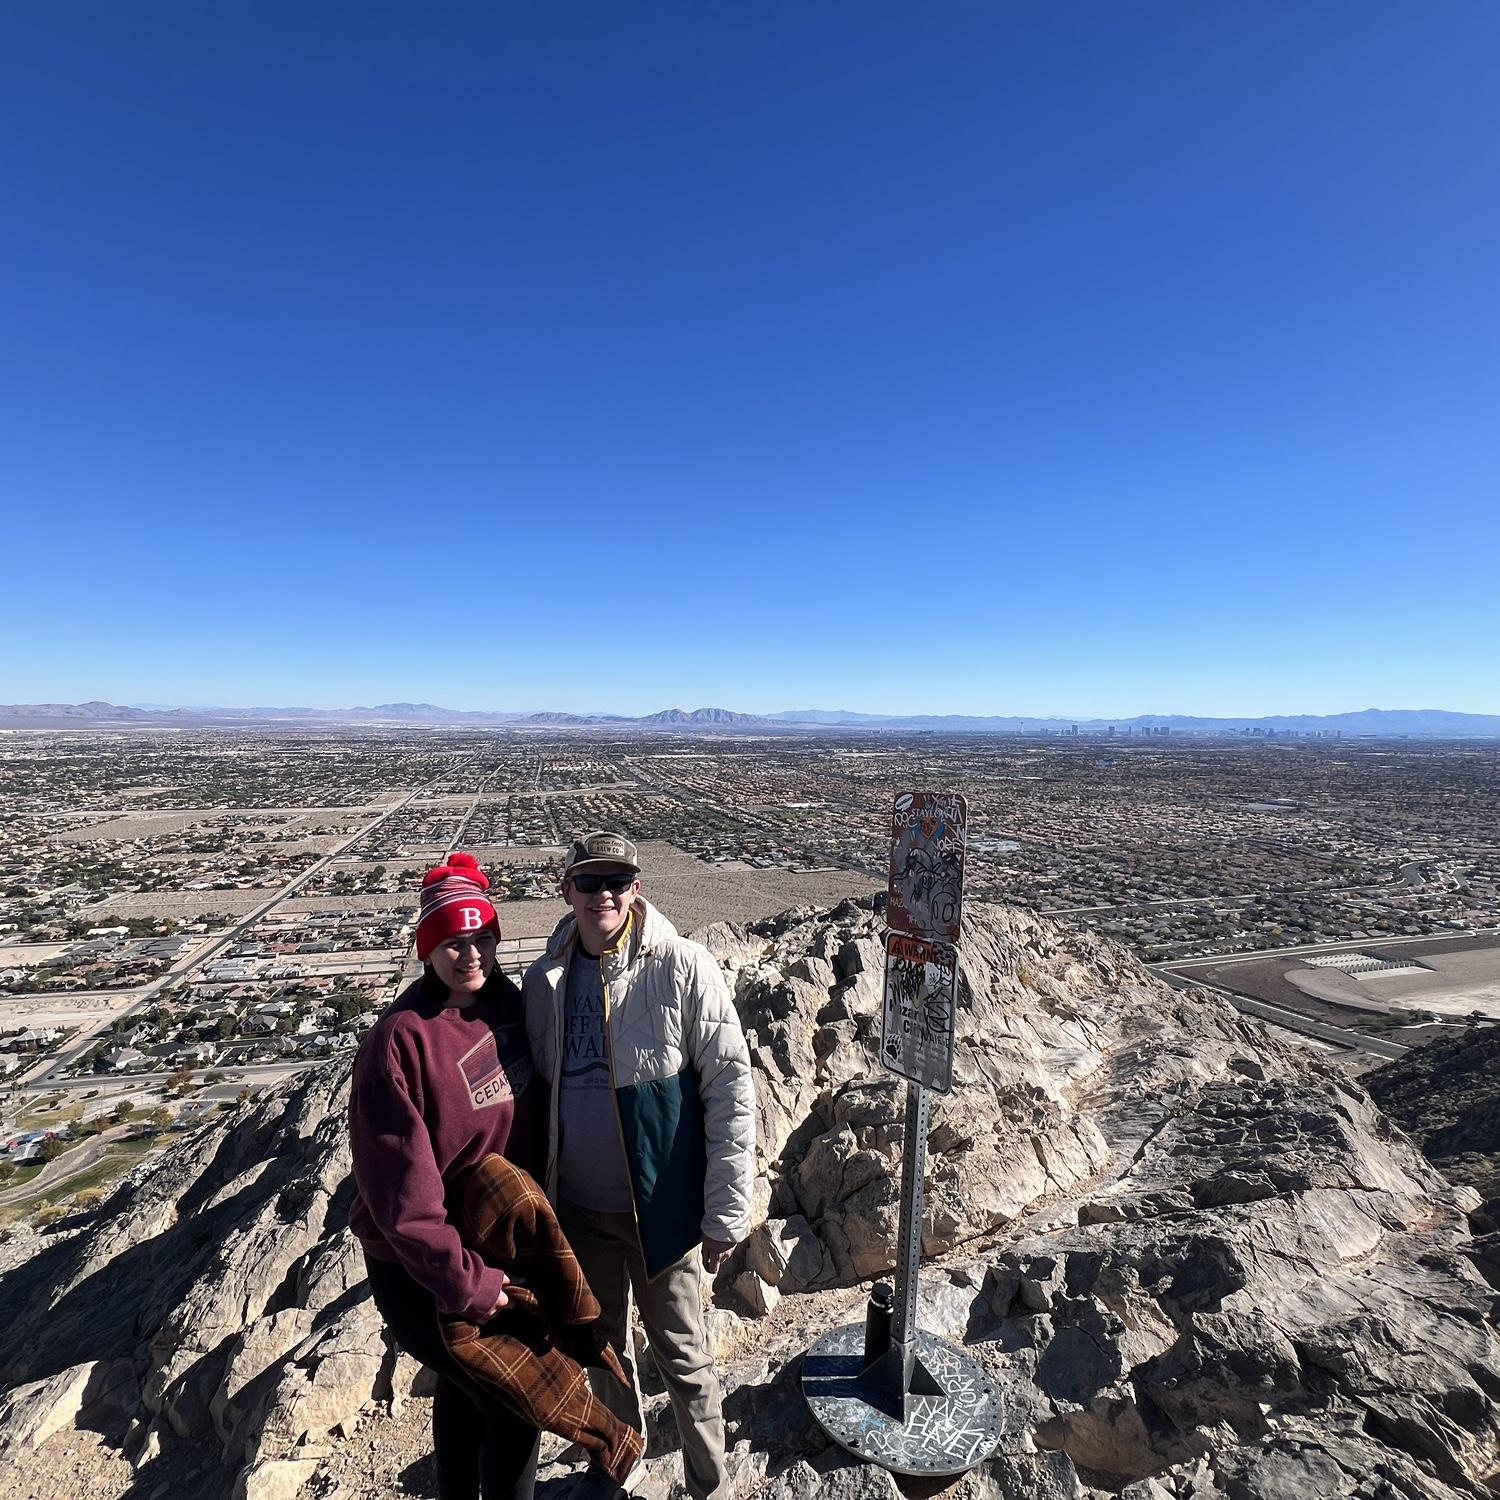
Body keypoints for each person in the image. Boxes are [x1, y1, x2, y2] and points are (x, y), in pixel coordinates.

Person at [523, 831, 756, 1500]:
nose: (604, 894)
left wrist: (725, 1211)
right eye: (590, 881)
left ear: (637, 889)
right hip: (579, 1211)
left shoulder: (682, 966)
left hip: (662, 1213)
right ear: (565, 889)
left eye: (617, 881)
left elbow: (731, 1092)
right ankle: (619, 1469)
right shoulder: (545, 980)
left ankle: (708, 1484)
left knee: (685, 1360)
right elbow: (537, 1095)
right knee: (604, 1355)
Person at [349, 852, 542, 1500]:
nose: (471, 955)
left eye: (482, 937)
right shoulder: (400, 1042)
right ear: (426, 949)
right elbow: (404, 1200)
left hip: (494, 1244)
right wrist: (468, 1284)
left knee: (466, 1395)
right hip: (421, 1271)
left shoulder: (509, 1007)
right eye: (453, 942)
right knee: (514, 1401)